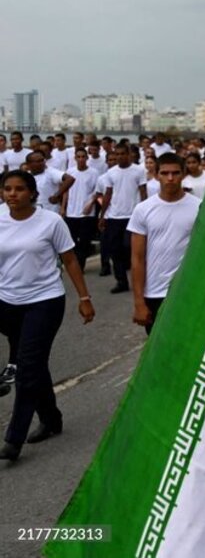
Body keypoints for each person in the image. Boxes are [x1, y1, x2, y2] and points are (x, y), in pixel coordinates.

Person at [0, 170, 95, 460]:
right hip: (7, 301)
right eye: (7, 189)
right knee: (35, 363)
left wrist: (85, 298)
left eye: (19, 189)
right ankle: (51, 419)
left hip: (45, 300)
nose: (12, 194)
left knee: (28, 365)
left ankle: (13, 440)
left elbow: (69, 259)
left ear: (32, 193)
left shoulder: (50, 221)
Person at [128, 153, 201, 335]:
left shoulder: (199, 207)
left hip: (188, 293)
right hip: (154, 294)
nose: (170, 178)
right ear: (156, 175)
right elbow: (137, 259)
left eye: (175, 173)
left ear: (183, 174)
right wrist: (139, 302)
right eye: (164, 173)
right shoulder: (142, 210)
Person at [98, 143, 148, 294]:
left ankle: (141, 280)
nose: (119, 157)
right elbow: (108, 194)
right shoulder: (111, 173)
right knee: (115, 251)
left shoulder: (139, 171)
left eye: (122, 154)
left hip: (133, 216)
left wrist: (144, 212)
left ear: (129, 155)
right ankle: (121, 281)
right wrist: (102, 215)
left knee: (130, 248)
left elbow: (143, 192)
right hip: (114, 217)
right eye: (117, 154)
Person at [63, 148, 100, 268]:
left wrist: (91, 204)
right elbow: (66, 191)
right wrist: (63, 207)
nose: (81, 159)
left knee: (84, 240)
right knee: (72, 240)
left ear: (87, 158)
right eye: (78, 157)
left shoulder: (94, 173)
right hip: (71, 211)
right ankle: (73, 263)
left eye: (83, 156)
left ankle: (81, 265)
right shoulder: (70, 171)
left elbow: (97, 191)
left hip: (86, 212)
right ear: (75, 158)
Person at [26, 149, 73, 216]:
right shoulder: (26, 176)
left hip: (50, 212)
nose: (42, 163)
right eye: (38, 161)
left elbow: (70, 179)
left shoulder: (50, 172)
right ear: (29, 164)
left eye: (42, 160)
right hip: (33, 213)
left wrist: (57, 195)